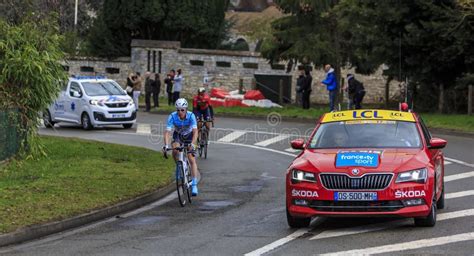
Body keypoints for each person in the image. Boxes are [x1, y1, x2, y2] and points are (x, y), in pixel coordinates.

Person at [162, 98, 200, 196]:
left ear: (186, 109)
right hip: (178, 135)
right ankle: (179, 166)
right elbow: (167, 132)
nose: (180, 112)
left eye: (182, 110)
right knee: (175, 150)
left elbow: (195, 132)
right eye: (178, 109)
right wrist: (166, 145)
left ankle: (194, 184)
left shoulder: (191, 116)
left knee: (191, 158)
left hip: (189, 135)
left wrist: (192, 144)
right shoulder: (172, 116)